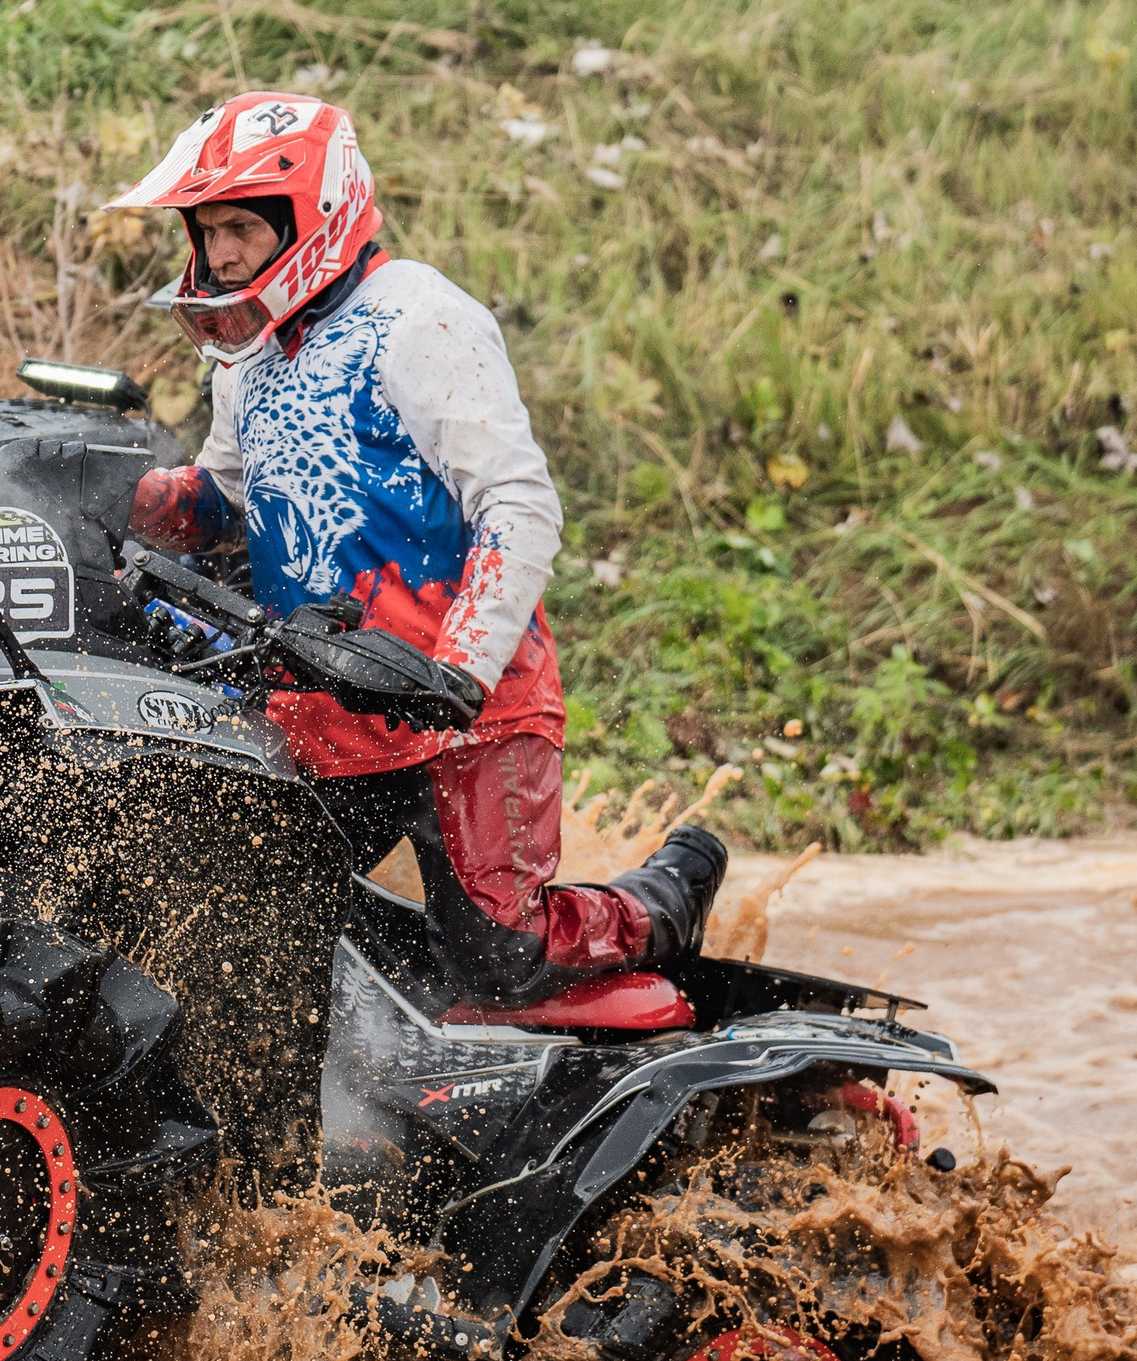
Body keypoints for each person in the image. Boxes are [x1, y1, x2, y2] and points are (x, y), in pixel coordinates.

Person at [108, 93, 724, 1008]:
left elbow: (520, 503)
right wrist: (113, 494)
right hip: (326, 701)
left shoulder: (421, 321)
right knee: (237, 920)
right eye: (205, 233)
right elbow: (226, 499)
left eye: (239, 226)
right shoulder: (252, 355)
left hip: (464, 708)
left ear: (313, 213)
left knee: (497, 958)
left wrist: (461, 669)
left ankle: (667, 897)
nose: (220, 254)